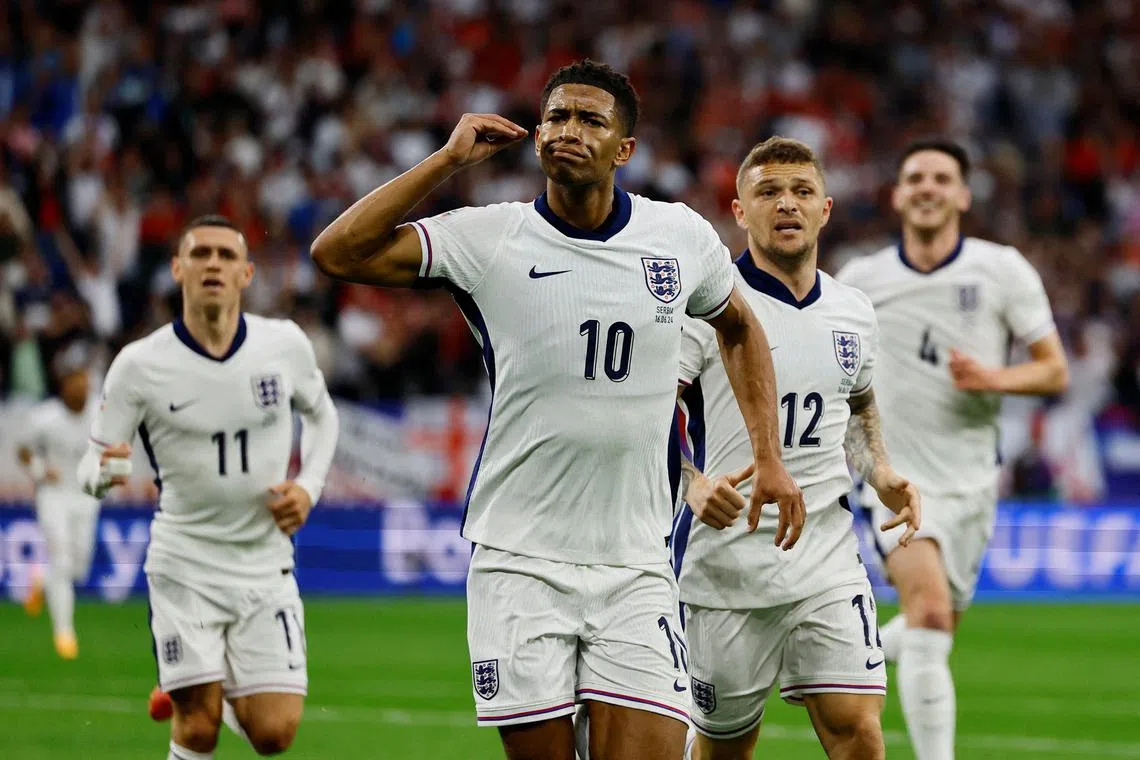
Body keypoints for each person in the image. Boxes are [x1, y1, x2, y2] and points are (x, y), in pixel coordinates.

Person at [310, 59, 805, 760]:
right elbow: (337, 252)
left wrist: (768, 458)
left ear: (623, 150)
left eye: (591, 120)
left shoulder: (679, 237)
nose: (569, 130)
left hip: (636, 561)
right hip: (520, 561)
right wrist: (447, 161)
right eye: (557, 117)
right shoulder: (489, 238)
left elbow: (739, 326)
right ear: (537, 134)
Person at [672, 137, 921, 760]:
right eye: (769, 192)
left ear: (826, 209)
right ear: (738, 210)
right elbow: (649, 415)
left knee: (859, 732)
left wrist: (880, 469)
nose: (787, 204)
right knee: (726, 746)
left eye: (802, 192)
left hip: (826, 557)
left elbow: (856, 403)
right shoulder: (707, 305)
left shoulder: (852, 311)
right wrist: (690, 482)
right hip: (725, 566)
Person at [836, 138, 1069, 760]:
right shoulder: (860, 281)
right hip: (894, 479)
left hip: (973, 482)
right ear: (897, 194)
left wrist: (995, 378)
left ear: (963, 194)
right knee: (932, 615)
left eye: (942, 178)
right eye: (915, 177)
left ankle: (838, 656)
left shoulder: (1002, 270)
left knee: (931, 628)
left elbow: (1053, 372)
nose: (928, 187)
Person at [77, 215, 340, 760]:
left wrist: (309, 486)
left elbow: (322, 416)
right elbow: (92, 464)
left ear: (246, 273)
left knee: (274, 735)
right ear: (178, 269)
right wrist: (103, 474)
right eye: (200, 255)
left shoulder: (283, 345)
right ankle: (197, 693)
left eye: (225, 255)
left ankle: (203, 686)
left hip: (265, 564)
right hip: (184, 566)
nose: (213, 264)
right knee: (197, 730)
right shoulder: (139, 365)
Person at [18, 344, 102, 659]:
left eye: (85, 381)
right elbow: (23, 450)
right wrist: (39, 470)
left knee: (78, 567)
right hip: (53, 496)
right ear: (64, 385)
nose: (82, 387)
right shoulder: (45, 418)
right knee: (63, 560)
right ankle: (64, 633)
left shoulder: (100, 412)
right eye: (75, 381)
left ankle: (41, 579)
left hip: (86, 495)